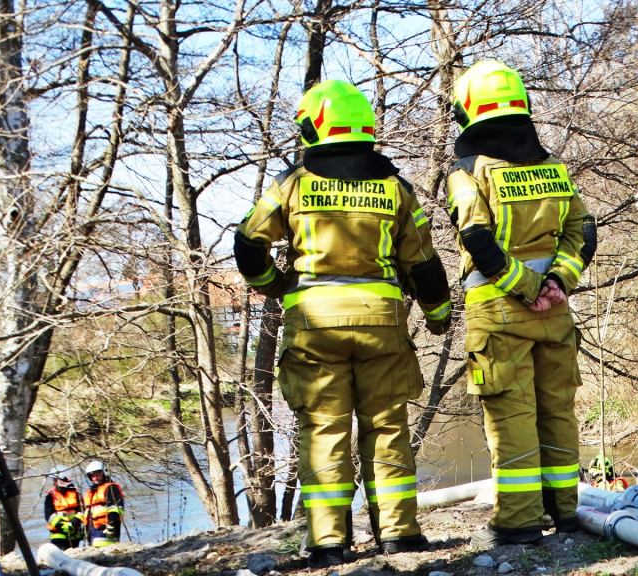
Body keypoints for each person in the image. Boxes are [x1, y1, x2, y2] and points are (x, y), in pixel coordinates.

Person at [234, 79, 452, 568]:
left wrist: (276, 285)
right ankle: (398, 535)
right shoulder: (394, 187)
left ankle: (328, 541)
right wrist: (438, 316)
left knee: (322, 430)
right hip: (382, 325)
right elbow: (424, 264)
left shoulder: (292, 184)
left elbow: (249, 244)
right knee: (388, 427)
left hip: (314, 326)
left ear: (313, 126)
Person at [445, 60, 597, 547]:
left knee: (511, 417)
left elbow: (476, 237)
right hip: (554, 312)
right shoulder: (553, 169)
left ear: (467, 110)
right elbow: (584, 230)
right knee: (557, 411)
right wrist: (557, 283)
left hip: (499, 310)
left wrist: (525, 287)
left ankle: (518, 522)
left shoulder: (469, 172)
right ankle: (566, 513)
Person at [83, 460, 125, 547]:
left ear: (103, 473)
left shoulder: (111, 488)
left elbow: (116, 509)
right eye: (92, 476)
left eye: (97, 474)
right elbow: (88, 514)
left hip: (106, 530)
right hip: (93, 531)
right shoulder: (90, 492)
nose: (95, 478)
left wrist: (112, 524)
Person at [44, 466, 83, 549]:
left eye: (55, 480)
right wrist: (63, 525)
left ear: (62, 480)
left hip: (74, 533)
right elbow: (49, 515)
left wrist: (74, 522)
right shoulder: (50, 496)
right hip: (58, 534)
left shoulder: (76, 494)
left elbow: (82, 511)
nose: (54, 483)